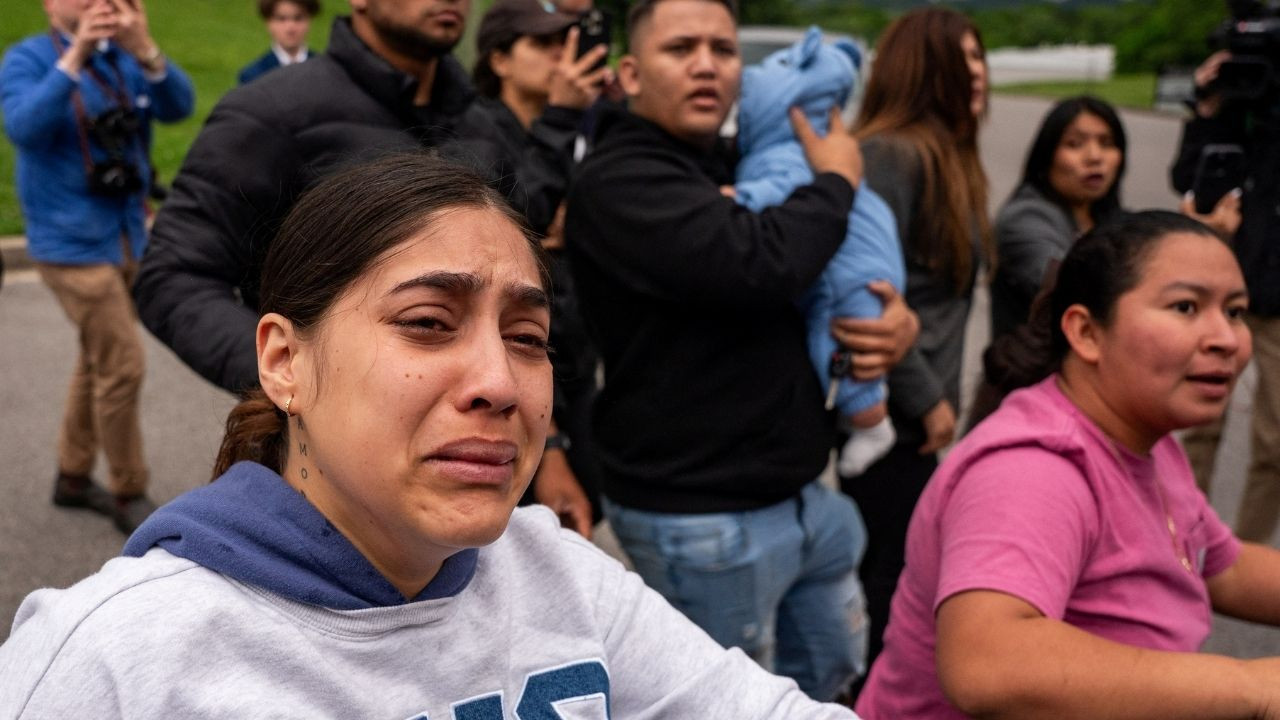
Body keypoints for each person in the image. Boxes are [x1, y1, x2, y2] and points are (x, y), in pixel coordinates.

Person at [0, 154, 862, 720]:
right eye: (426, 322)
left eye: (527, 338)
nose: (499, 384)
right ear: (283, 361)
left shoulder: (559, 573)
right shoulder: (114, 658)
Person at [564, 0, 918, 701]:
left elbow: (825, 272)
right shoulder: (623, 179)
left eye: (724, 50)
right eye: (681, 48)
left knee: (831, 691)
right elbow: (760, 262)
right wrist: (838, 180)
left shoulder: (735, 162)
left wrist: (892, 320)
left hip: (800, 498)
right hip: (700, 519)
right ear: (630, 73)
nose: (707, 64)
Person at [856, 210, 1280, 719]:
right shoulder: (1035, 469)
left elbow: (1223, 567)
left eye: (1235, 311)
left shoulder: (1149, 439)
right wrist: (1251, 686)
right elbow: (986, 663)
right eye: (1186, 307)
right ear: (1086, 333)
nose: (1226, 339)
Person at [133, 0, 480, 395]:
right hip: (329, 438)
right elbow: (173, 277)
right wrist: (298, 381)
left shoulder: (484, 123)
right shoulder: (273, 112)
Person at [0, 0, 194, 533]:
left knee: (98, 359)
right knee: (123, 364)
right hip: (69, 242)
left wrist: (144, 48)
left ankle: (72, 474)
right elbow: (24, 127)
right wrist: (77, 54)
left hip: (127, 233)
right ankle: (131, 490)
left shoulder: (123, 58)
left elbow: (180, 105)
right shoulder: (28, 59)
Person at [840, 6, 992, 685]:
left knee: (905, 565)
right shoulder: (890, 155)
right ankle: (881, 695)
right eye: (963, 59)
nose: (979, 71)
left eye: (981, 56)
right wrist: (928, 400)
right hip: (890, 409)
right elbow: (868, 293)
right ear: (923, 70)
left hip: (916, 412)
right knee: (896, 577)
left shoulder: (950, 155)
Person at [732, 27, 905, 478]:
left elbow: (783, 189)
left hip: (850, 278)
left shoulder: (794, 152)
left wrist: (738, 198)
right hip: (866, 262)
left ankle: (871, 421)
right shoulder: (825, 146)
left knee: (834, 340)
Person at [469, 0, 612, 534]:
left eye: (566, 43)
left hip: (575, 355)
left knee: (582, 512)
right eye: (544, 45)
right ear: (500, 60)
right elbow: (505, 229)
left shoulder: (573, 128)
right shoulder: (481, 131)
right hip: (520, 359)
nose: (561, 57)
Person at [1173, 47, 1280, 544]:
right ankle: (1179, 549)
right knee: (1197, 424)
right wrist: (1209, 110)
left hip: (1276, 300)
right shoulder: (1237, 108)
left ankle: (1243, 563)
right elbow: (1187, 180)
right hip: (1225, 286)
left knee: (1275, 442)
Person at [989, 95, 1126, 340]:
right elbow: (1071, 288)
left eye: (1107, 143)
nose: (1095, 156)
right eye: (1074, 144)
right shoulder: (1025, 219)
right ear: (1047, 155)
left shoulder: (1112, 219)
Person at [237, 0, 320, 85]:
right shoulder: (253, 76)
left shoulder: (324, 70)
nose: (290, 28)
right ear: (268, 22)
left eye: (298, 18)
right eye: (281, 19)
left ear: (310, 20)